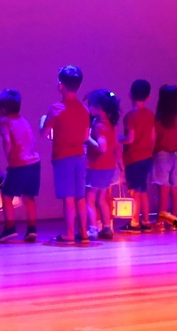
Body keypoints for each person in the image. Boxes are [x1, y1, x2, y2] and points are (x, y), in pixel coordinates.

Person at [43, 65, 90, 245]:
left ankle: (69, 232)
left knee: (68, 197)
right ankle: (83, 232)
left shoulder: (56, 108)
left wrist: (42, 122)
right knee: (80, 197)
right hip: (80, 156)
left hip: (63, 157)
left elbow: (45, 133)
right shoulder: (84, 109)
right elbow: (85, 137)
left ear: (60, 85)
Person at [0, 88, 40, 243]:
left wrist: (9, 157)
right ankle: (32, 228)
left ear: (3, 109)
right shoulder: (24, 120)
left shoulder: (5, 121)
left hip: (18, 163)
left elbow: (7, 141)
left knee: (6, 195)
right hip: (34, 162)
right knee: (29, 196)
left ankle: (10, 228)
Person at [121, 79, 155, 232]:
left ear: (130, 95)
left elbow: (130, 139)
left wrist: (117, 139)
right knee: (142, 189)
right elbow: (153, 137)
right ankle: (146, 221)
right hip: (147, 156)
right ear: (148, 97)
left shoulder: (130, 116)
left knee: (134, 190)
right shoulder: (150, 115)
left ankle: (134, 222)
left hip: (133, 157)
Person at [85, 89, 120, 241]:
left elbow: (102, 147)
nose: (89, 108)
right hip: (108, 166)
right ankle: (107, 227)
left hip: (97, 166)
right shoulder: (111, 124)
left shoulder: (99, 125)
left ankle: (93, 229)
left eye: (91, 105)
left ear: (99, 107)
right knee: (102, 199)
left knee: (89, 198)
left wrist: (87, 138)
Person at [150, 84, 177, 226]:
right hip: (176, 156)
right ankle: (174, 220)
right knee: (176, 190)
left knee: (163, 191)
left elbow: (153, 139)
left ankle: (160, 221)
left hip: (161, 155)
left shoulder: (157, 120)